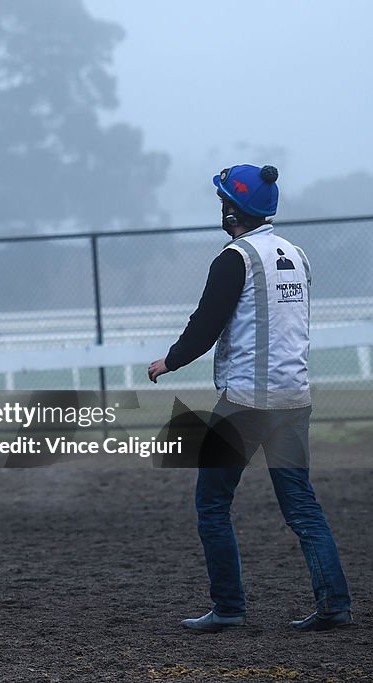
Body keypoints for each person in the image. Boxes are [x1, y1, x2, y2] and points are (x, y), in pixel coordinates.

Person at [147, 164, 352, 633]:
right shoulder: (296, 255)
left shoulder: (234, 258)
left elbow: (207, 322)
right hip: (295, 400)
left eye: (223, 201)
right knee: (302, 507)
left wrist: (170, 361)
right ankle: (334, 604)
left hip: (243, 404)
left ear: (233, 208)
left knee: (213, 507)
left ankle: (229, 608)